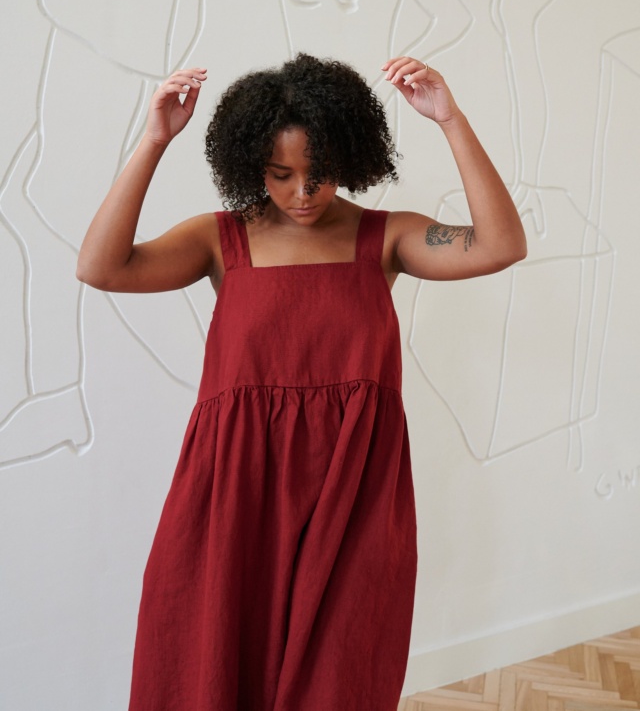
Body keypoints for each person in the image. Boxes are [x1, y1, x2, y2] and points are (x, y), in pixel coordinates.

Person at [76, 53, 526, 711]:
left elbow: (499, 245)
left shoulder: (386, 238)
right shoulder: (220, 239)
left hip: (354, 493)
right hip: (234, 491)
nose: (303, 193)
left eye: (320, 174)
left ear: (350, 155)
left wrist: (450, 121)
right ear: (250, 162)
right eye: (281, 175)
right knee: (211, 662)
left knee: (340, 675)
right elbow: (101, 266)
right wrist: (154, 140)